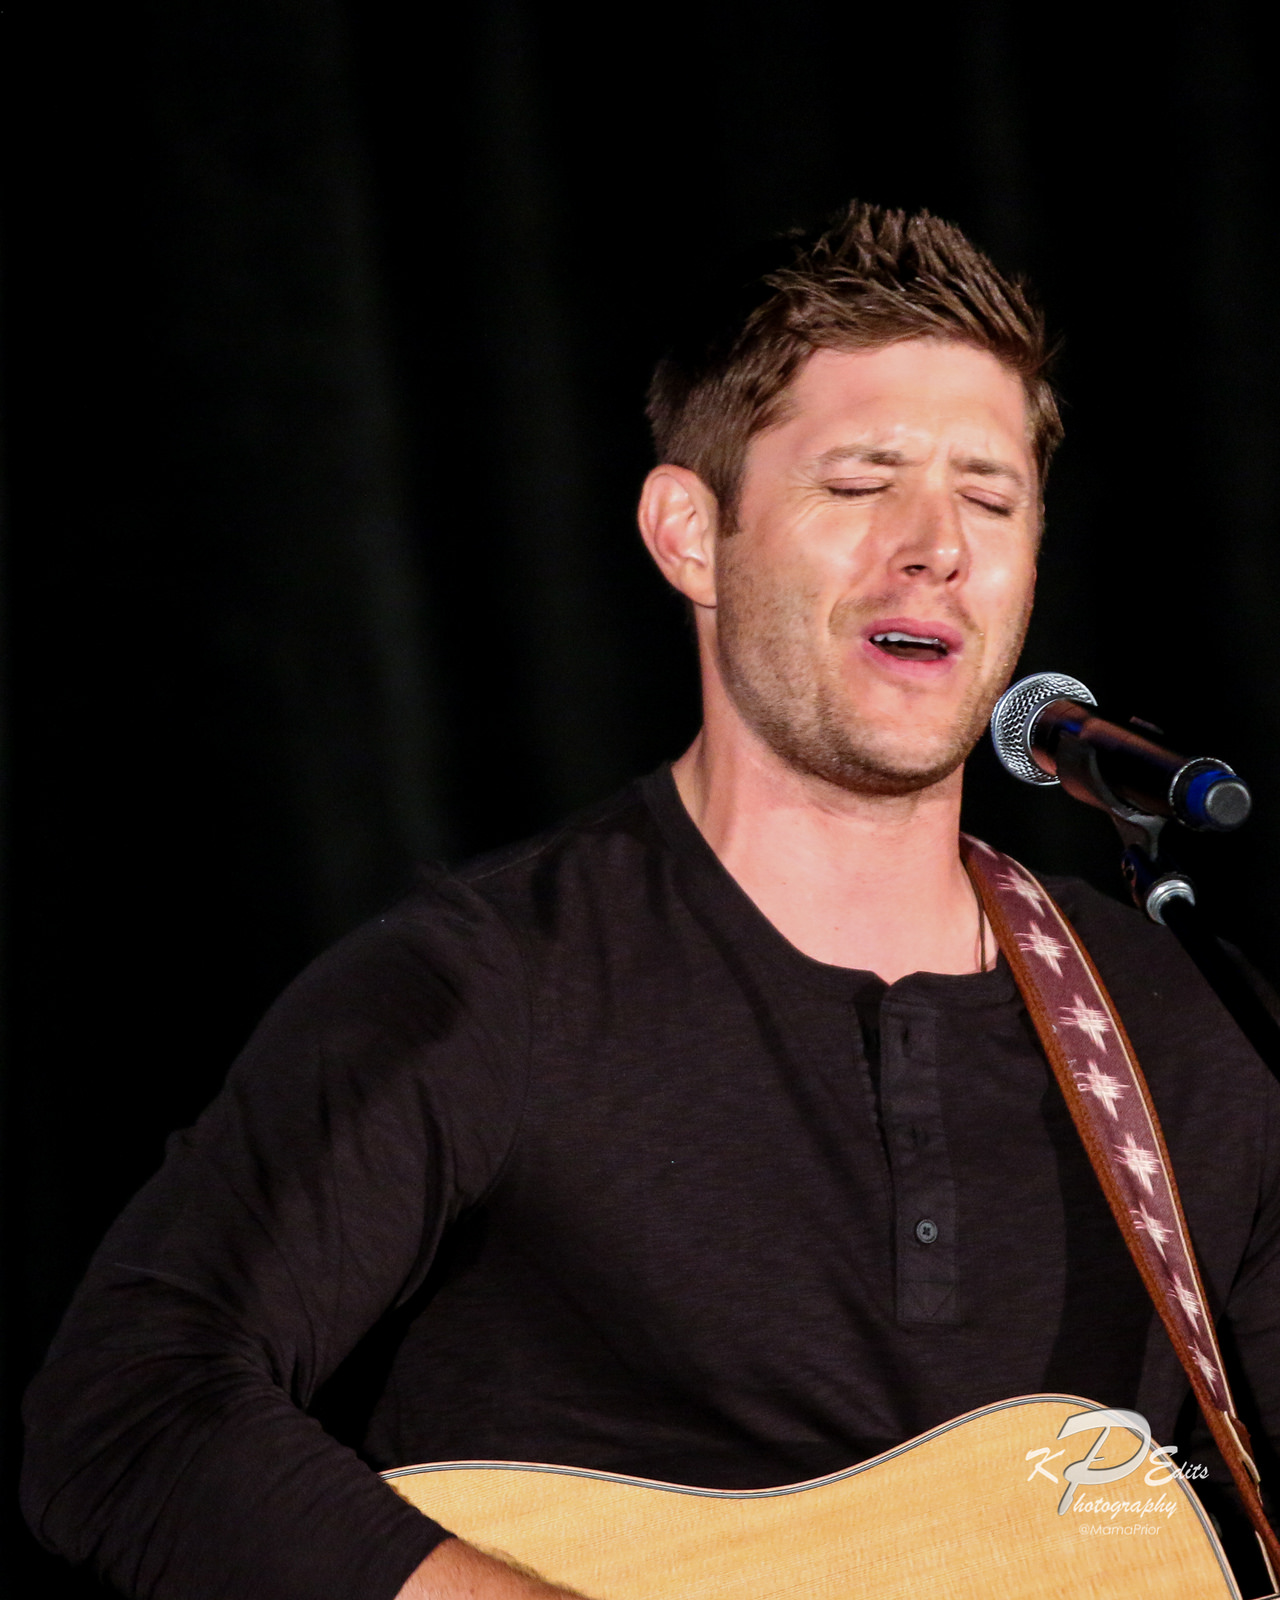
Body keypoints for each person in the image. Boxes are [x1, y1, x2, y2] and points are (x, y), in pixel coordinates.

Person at [22, 202, 1280, 1600]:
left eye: (990, 500)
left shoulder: (1178, 1030)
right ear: (690, 535)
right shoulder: (493, 988)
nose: (937, 545)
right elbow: (128, 1405)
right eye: (860, 483)